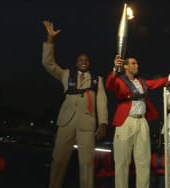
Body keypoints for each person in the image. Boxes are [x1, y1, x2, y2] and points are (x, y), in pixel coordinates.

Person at [42, 20, 108, 188]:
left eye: (87, 59)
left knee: (86, 163)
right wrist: (50, 39)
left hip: (87, 124)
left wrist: (103, 123)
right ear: (77, 62)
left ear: (89, 63)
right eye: (81, 59)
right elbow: (48, 63)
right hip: (66, 122)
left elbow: (101, 102)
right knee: (58, 159)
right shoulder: (66, 74)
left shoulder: (96, 79)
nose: (84, 61)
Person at [105, 55, 168, 188]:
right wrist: (115, 69)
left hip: (142, 122)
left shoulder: (142, 82)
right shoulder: (119, 80)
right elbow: (109, 84)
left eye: (137, 63)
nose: (137, 66)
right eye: (133, 63)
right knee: (122, 161)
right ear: (126, 66)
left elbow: (157, 83)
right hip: (125, 121)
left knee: (144, 161)